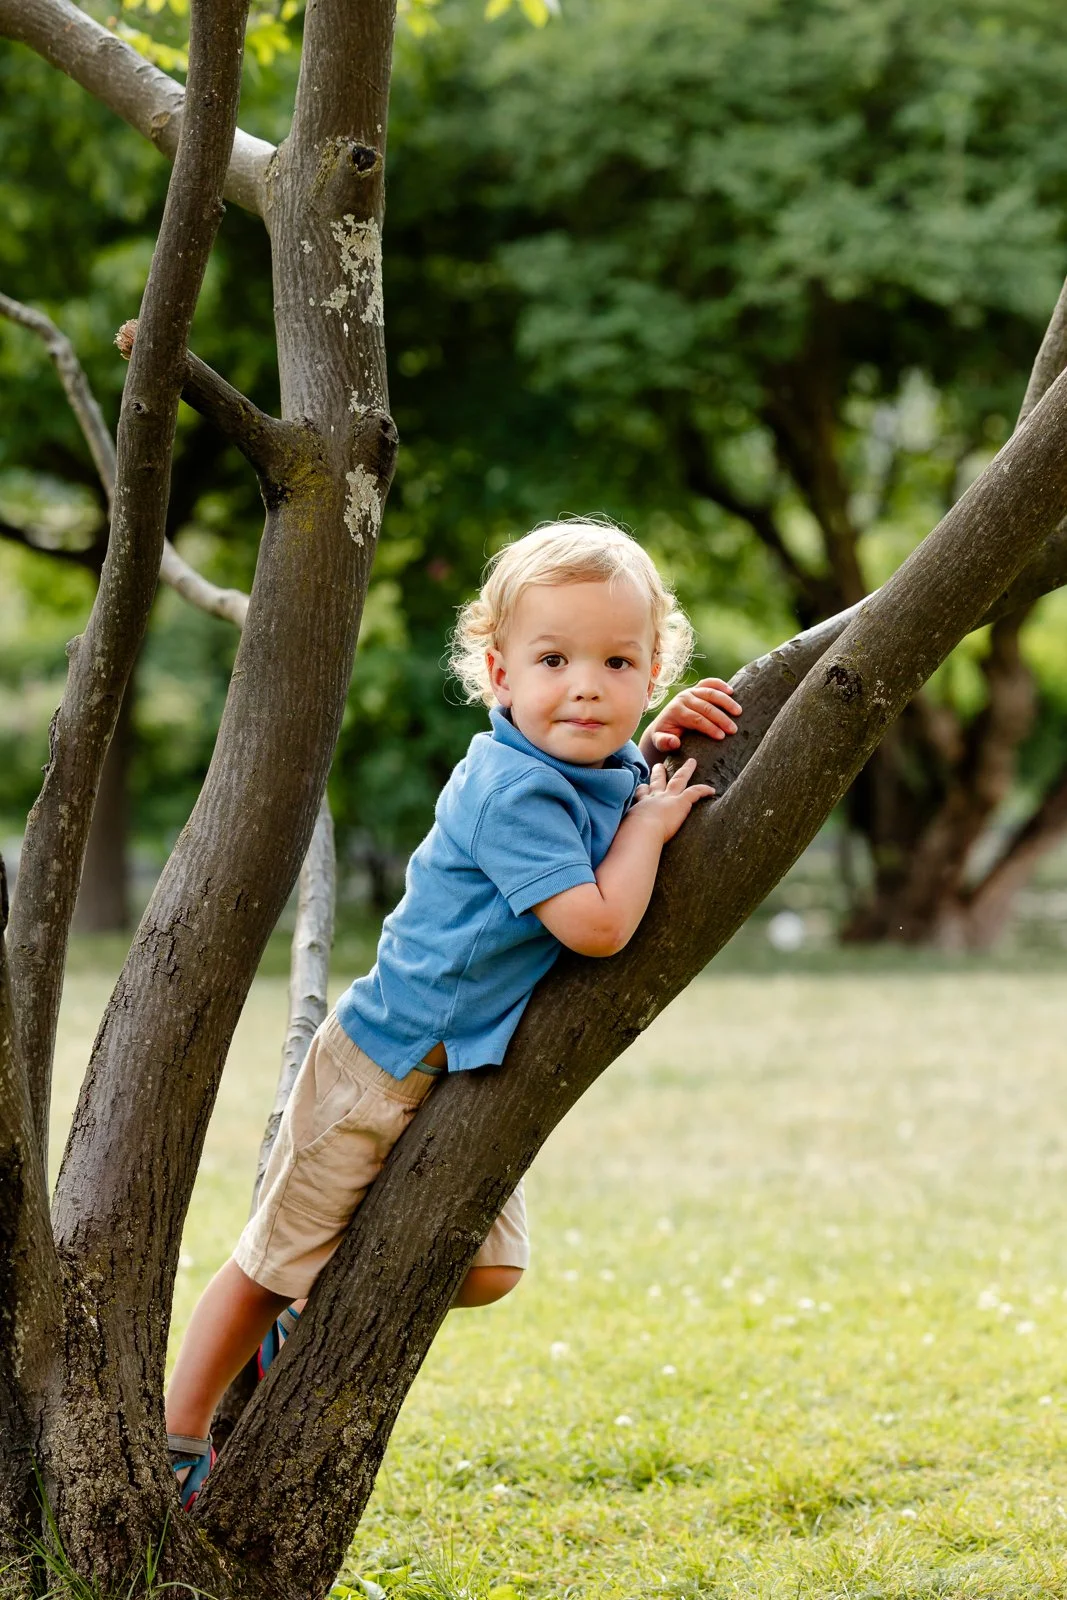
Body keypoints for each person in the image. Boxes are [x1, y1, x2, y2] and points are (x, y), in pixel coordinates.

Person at [165, 518, 742, 1504]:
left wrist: (652, 753)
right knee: (272, 1254)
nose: (584, 686)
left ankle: (305, 1312)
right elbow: (596, 924)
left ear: (652, 671)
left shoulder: (587, 768)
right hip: (380, 1061)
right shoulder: (508, 789)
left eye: (617, 661)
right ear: (497, 671)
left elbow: (600, 799)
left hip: (463, 1068)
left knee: (482, 1269)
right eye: (552, 659)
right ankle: (174, 1435)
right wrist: (650, 822)